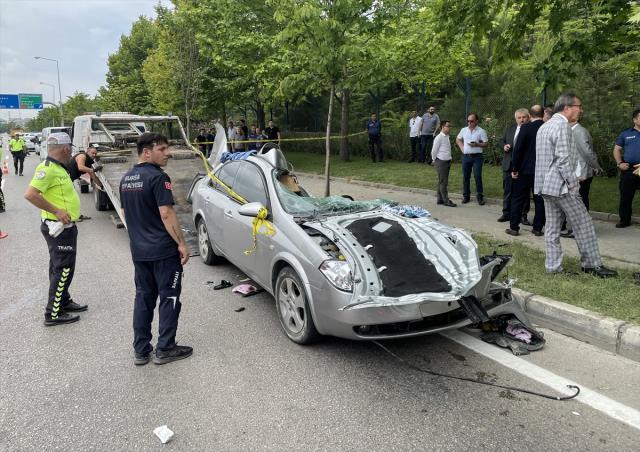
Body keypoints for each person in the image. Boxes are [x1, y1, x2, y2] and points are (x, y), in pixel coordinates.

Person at [119, 132, 192, 366]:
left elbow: (126, 214)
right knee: (169, 297)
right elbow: (166, 213)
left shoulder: (126, 179)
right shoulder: (159, 178)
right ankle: (166, 348)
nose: (168, 153)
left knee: (143, 298)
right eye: (162, 149)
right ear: (146, 152)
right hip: (162, 251)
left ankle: (141, 349)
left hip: (139, 251)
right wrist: (181, 243)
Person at [535, 93, 616, 278]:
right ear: (567, 107)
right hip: (562, 186)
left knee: (552, 227)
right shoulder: (563, 126)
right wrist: (573, 184)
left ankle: (553, 267)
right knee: (584, 223)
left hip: (546, 186)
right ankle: (592, 265)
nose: (581, 110)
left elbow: (542, 160)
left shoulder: (544, 127)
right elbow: (563, 160)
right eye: (578, 106)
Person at [23, 132, 88, 326]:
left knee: (59, 266)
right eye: (71, 150)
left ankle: (64, 301)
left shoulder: (59, 167)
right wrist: (57, 210)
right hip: (58, 227)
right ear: (66, 148)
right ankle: (53, 312)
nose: (71, 153)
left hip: (65, 227)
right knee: (63, 268)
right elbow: (31, 194)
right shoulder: (48, 169)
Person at [506, 105, 546, 237]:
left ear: (530, 115)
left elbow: (518, 150)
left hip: (524, 170)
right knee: (539, 200)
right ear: (543, 113)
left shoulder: (526, 128)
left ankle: (514, 227)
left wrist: (515, 168)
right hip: (541, 171)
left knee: (518, 199)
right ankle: (537, 228)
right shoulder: (547, 127)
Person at [498, 108, 530, 223]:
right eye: (519, 118)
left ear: (528, 117)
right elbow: (501, 140)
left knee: (523, 192)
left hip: (523, 166)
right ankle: (506, 213)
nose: (521, 120)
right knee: (507, 190)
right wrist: (504, 146)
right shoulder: (511, 128)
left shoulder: (530, 130)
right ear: (515, 119)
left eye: (524, 117)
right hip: (509, 164)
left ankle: (523, 215)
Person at [612, 109, 640, 228]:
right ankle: (624, 220)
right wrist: (620, 163)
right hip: (629, 169)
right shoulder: (626, 133)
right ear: (634, 119)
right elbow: (616, 149)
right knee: (626, 196)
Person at [455, 113, 488, 205]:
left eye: (472, 121)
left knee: (477, 176)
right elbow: (458, 139)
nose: (469, 123)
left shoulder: (481, 131)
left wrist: (477, 144)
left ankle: (480, 197)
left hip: (477, 157)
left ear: (476, 121)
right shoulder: (464, 130)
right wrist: (462, 149)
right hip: (466, 157)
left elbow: (486, 144)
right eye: (468, 121)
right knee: (466, 177)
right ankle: (466, 196)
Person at [431, 120, 456, 207]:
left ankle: (440, 199)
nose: (449, 128)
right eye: (448, 126)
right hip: (441, 162)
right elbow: (434, 150)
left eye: (450, 126)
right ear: (442, 127)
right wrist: (434, 160)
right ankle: (446, 200)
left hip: (447, 161)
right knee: (443, 182)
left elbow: (446, 149)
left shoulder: (446, 136)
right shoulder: (439, 137)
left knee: (441, 181)